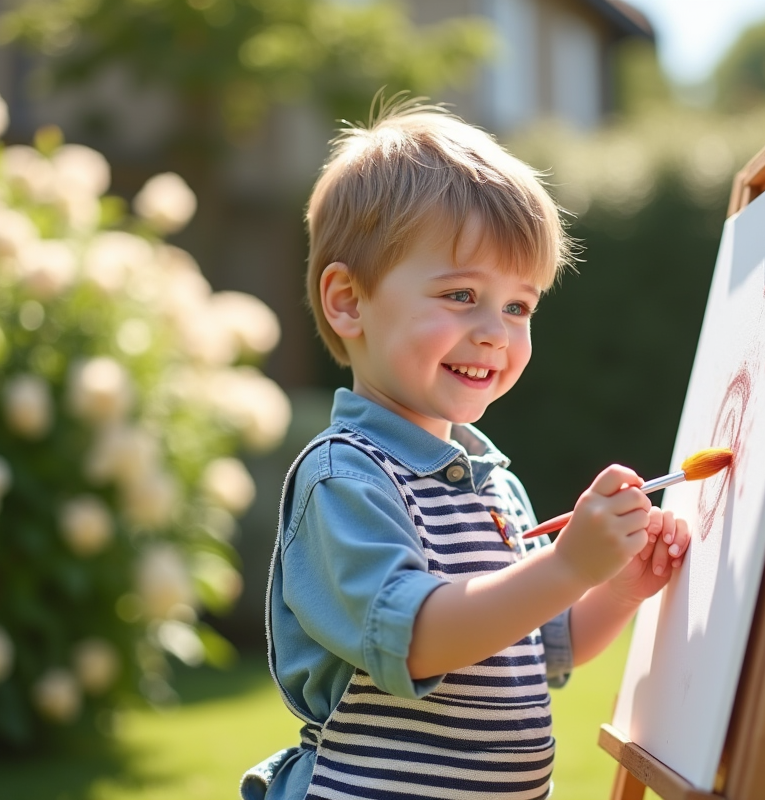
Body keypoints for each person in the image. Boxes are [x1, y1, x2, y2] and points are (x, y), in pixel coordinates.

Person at [241, 99, 692, 800]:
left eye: (519, 306)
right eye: (461, 294)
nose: (496, 333)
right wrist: (568, 565)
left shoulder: (490, 482)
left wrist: (616, 587)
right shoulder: (345, 477)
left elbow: (542, 641)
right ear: (349, 302)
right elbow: (419, 635)